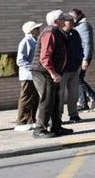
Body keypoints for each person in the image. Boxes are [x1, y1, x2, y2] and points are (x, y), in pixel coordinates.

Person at [30, 10, 73, 138]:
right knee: (47, 100)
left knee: (55, 100)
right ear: (56, 21)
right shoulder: (50, 33)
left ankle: (56, 127)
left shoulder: (57, 32)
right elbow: (45, 57)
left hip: (52, 72)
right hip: (44, 72)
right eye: (62, 19)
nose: (65, 21)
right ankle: (39, 129)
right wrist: (53, 73)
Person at [69, 7, 95, 112]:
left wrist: (85, 59)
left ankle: (93, 99)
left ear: (78, 16)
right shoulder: (78, 26)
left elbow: (87, 43)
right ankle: (85, 102)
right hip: (80, 56)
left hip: (83, 57)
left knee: (78, 79)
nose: (71, 19)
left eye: (72, 17)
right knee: (79, 79)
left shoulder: (84, 26)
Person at [15, 20, 42, 132]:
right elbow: (20, 60)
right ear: (31, 31)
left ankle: (32, 120)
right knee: (26, 98)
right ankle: (22, 121)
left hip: (34, 75)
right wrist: (32, 67)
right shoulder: (26, 41)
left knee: (34, 98)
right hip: (27, 75)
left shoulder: (34, 41)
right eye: (36, 29)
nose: (39, 30)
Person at [58, 13, 85, 123]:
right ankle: (57, 116)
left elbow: (80, 48)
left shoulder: (75, 33)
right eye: (70, 20)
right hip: (62, 71)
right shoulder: (59, 34)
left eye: (73, 20)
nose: (73, 22)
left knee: (73, 94)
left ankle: (73, 114)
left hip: (74, 68)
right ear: (64, 22)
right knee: (59, 94)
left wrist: (80, 59)